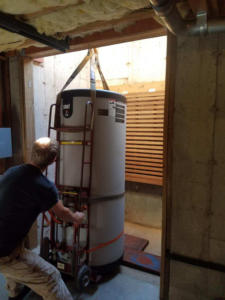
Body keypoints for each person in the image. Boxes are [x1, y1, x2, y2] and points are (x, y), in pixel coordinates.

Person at [0, 137, 85, 300]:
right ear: (53, 160)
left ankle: (15, 294)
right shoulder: (45, 187)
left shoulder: (11, 171)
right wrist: (76, 217)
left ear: (32, 153)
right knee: (52, 277)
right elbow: (62, 213)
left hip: (6, 242)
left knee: (18, 259)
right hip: (4, 251)